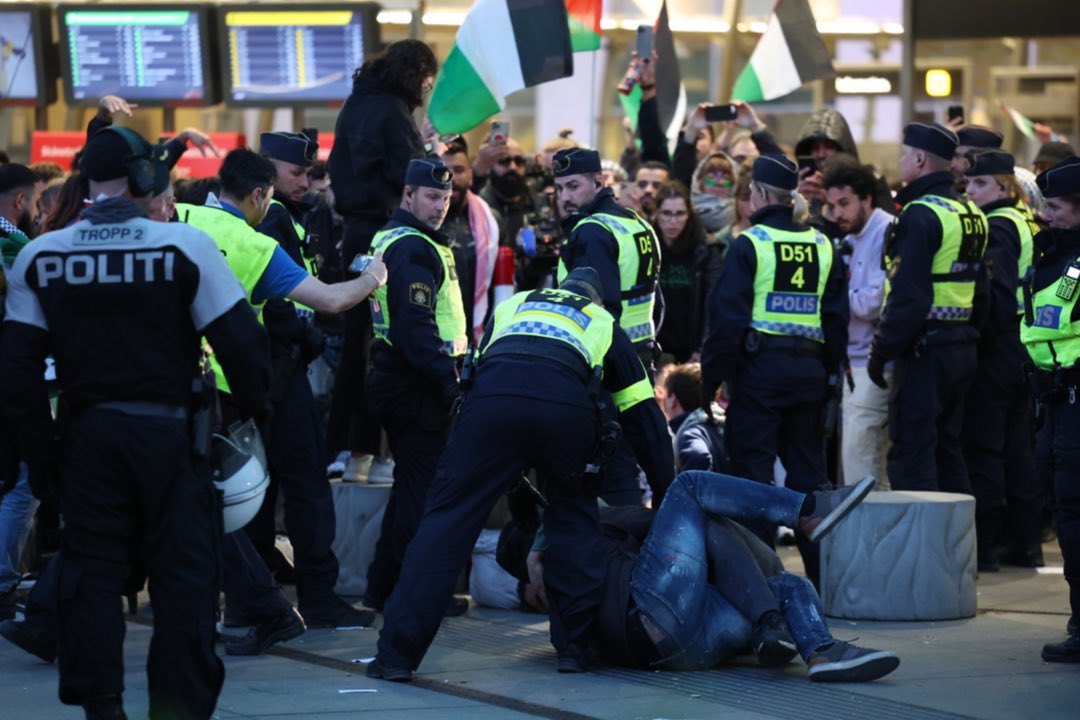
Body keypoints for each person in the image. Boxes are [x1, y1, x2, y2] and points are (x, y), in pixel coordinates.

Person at [0, 127, 272, 719]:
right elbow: (244, 349)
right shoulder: (184, 248)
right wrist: (254, 415)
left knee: (91, 577)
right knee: (184, 586)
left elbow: (16, 376)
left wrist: (44, 463)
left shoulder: (41, 256)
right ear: (147, 178)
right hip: (171, 439)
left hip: (87, 440)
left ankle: (103, 706)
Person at [365, 267, 674, 681]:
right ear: (597, 298)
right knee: (575, 518)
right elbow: (643, 418)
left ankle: (396, 656)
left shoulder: (513, 305)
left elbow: (479, 372)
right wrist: (666, 491)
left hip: (491, 407)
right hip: (565, 411)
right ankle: (574, 650)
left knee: (446, 524)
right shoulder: (601, 321)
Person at [177, 148, 382, 638]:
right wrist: (373, 277)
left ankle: (242, 605)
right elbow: (329, 299)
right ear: (259, 193)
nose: (307, 183)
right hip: (240, 384)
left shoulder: (177, 216)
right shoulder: (251, 241)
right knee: (290, 485)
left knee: (210, 500)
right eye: (297, 174)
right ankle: (288, 602)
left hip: (169, 387)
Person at [506, 471, 896, 681]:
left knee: (787, 586)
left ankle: (819, 652)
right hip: (651, 613)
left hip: (676, 652)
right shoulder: (588, 529)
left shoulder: (563, 598)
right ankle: (806, 510)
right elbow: (656, 517)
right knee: (690, 488)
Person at [700, 153, 848, 585]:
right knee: (808, 478)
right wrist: (830, 377)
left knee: (754, 479)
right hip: (809, 376)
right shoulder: (823, 245)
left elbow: (726, 320)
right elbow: (835, 319)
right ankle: (823, 582)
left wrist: (712, 379)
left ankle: (761, 585)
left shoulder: (750, 244)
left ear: (758, 195)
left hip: (759, 374)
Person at [362, 158, 469, 614]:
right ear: (408, 195)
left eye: (446, 198)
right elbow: (416, 329)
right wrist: (451, 385)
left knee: (413, 489)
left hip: (404, 378)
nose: (440, 206)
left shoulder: (408, 241)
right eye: (431, 196)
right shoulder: (412, 248)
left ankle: (385, 589)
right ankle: (411, 594)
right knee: (420, 495)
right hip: (416, 383)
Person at [327, 39, 437, 479]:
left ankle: (344, 447)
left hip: (353, 234)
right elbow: (411, 174)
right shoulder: (394, 114)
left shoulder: (355, 105)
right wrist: (430, 155)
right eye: (427, 81)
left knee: (356, 345)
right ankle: (372, 450)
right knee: (386, 344)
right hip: (386, 236)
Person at [867, 123, 988, 493]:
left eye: (904, 154)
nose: (900, 161)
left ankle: (922, 552)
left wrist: (882, 351)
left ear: (919, 159)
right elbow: (981, 290)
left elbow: (910, 297)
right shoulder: (970, 213)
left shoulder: (920, 215)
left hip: (925, 351)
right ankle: (958, 548)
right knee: (949, 450)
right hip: (961, 345)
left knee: (912, 454)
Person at [961, 150, 1044, 572]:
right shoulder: (1027, 219)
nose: (970, 192)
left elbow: (997, 291)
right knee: (1018, 449)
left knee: (986, 448)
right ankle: (1027, 543)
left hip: (999, 344)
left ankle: (989, 547)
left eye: (979, 185)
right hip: (1024, 345)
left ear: (1004, 187)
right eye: (969, 184)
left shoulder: (997, 225)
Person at [1020, 156, 1080, 661]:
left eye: (1056, 207)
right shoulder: (1051, 255)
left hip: (1075, 405)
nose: (1047, 215)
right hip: (1053, 403)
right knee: (1066, 516)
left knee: (1075, 517)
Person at [822, 160, 894, 488]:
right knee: (864, 464)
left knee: (861, 464)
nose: (837, 213)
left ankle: (871, 538)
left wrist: (833, 299)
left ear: (866, 199)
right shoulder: (847, 238)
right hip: (852, 364)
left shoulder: (887, 231)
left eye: (844, 203)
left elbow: (873, 302)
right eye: (831, 205)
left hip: (875, 361)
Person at [556, 148, 662, 367]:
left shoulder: (592, 231)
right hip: (643, 355)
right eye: (559, 188)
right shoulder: (637, 222)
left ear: (599, 182)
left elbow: (597, 312)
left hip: (607, 364)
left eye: (573, 186)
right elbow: (657, 302)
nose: (564, 197)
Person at [0, 163, 40, 621]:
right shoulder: (16, 244)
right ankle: (4, 580)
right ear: (19, 201)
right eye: (34, 200)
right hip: (12, 373)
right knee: (22, 481)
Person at [652, 181, 722, 364]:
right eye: (666, 214)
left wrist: (703, 349)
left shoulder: (705, 249)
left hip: (691, 349)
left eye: (680, 214)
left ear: (689, 215)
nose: (673, 222)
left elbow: (713, 303)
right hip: (654, 346)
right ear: (657, 213)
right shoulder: (647, 246)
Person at [440, 138, 502, 343]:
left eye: (458, 170)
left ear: (471, 174)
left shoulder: (491, 220)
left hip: (481, 333)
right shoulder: (423, 224)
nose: (451, 178)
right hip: (437, 336)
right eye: (443, 170)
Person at [659, 362, 727, 473]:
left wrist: (696, 488)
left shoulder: (691, 433)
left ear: (673, 400)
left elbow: (697, 455)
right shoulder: (726, 423)